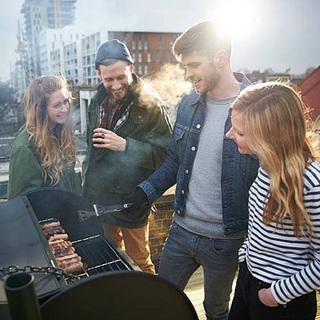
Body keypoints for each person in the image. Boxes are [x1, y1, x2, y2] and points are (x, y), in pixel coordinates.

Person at [123, 21, 259, 320]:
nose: (187, 74)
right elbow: (175, 161)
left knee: (216, 311)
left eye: (194, 64)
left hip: (226, 241)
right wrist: (144, 192)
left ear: (220, 58)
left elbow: (272, 176)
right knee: (160, 301)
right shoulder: (188, 104)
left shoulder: (257, 107)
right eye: (184, 67)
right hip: (181, 231)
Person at [226, 82, 320, 320]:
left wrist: (275, 295)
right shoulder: (266, 165)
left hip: (282, 301)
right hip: (249, 279)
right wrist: (245, 256)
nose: (229, 135)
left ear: (269, 138)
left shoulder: (311, 184)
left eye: (240, 132)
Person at [81, 39, 172, 274]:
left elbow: (167, 155)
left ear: (131, 69)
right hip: (100, 199)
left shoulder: (150, 104)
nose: (116, 84)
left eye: (121, 77)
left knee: (140, 262)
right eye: (108, 79)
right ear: (99, 76)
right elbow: (91, 153)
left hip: (131, 200)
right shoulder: (94, 101)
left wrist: (125, 145)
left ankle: (150, 307)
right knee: (110, 257)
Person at [8, 74, 81, 200]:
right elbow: (21, 203)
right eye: (57, 105)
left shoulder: (59, 133)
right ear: (41, 109)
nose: (64, 109)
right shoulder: (25, 148)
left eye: (66, 102)